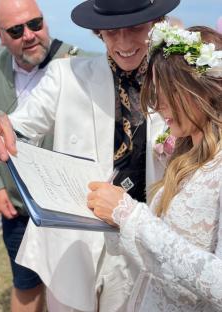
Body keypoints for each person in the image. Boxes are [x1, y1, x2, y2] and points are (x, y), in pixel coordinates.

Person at [0, 0, 180, 311]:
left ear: (156, 23)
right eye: (112, 32)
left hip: (142, 241)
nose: (124, 43)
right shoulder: (66, 75)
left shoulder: (178, 81)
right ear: (98, 32)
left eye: (135, 29)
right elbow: (19, 125)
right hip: (74, 243)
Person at [87, 21, 222, 311]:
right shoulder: (184, 157)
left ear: (205, 88)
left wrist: (132, 215)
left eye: (168, 92)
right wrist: (114, 220)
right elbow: (162, 262)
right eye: (154, 91)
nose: (158, 105)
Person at [0, 0, 89, 311]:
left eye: (35, 23)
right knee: (26, 287)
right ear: (0, 35)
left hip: (71, 209)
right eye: (16, 30)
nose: (30, 35)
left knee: (71, 293)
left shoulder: (79, 65)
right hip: (17, 209)